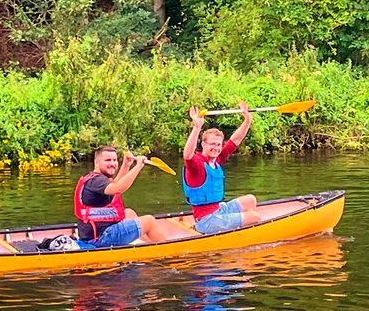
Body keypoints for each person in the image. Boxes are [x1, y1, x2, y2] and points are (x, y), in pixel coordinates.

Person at [75, 146, 191, 247]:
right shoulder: (97, 181)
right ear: (97, 162)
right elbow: (119, 188)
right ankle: (168, 251)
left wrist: (126, 165)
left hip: (96, 233)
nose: (113, 164)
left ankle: (148, 246)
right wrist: (138, 167)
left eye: (115, 160)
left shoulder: (95, 178)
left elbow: (115, 186)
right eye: (108, 160)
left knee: (129, 213)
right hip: (100, 238)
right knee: (149, 221)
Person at [183, 102, 263, 234]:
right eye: (212, 144)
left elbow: (235, 141)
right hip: (206, 221)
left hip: (218, 210)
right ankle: (242, 228)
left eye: (219, 144)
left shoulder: (217, 159)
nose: (216, 148)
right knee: (255, 217)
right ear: (203, 144)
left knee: (251, 200)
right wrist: (197, 128)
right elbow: (187, 155)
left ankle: (238, 226)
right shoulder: (196, 164)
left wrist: (247, 121)